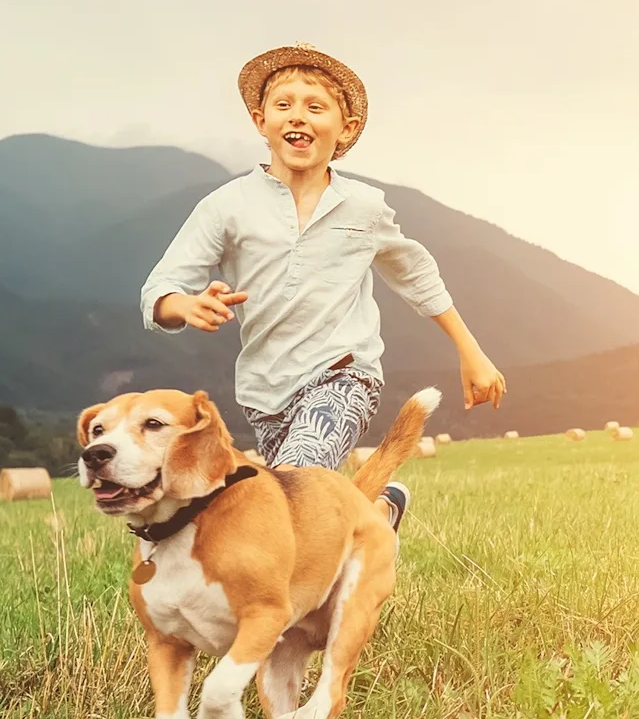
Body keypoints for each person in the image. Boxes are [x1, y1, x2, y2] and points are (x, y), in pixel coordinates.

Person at [140, 42, 504, 534]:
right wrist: (184, 304)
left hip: (343, 375)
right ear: (259, 120)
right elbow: (160, 288)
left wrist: (471, 350)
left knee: (286, 492)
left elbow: (415, 274)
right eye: (284, 105)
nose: (298, 117)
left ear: (345, 129)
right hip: (263, 393)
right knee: (301, 510)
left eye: (315, 107)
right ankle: (377, 512)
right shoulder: (226, 206)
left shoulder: (364, 207)